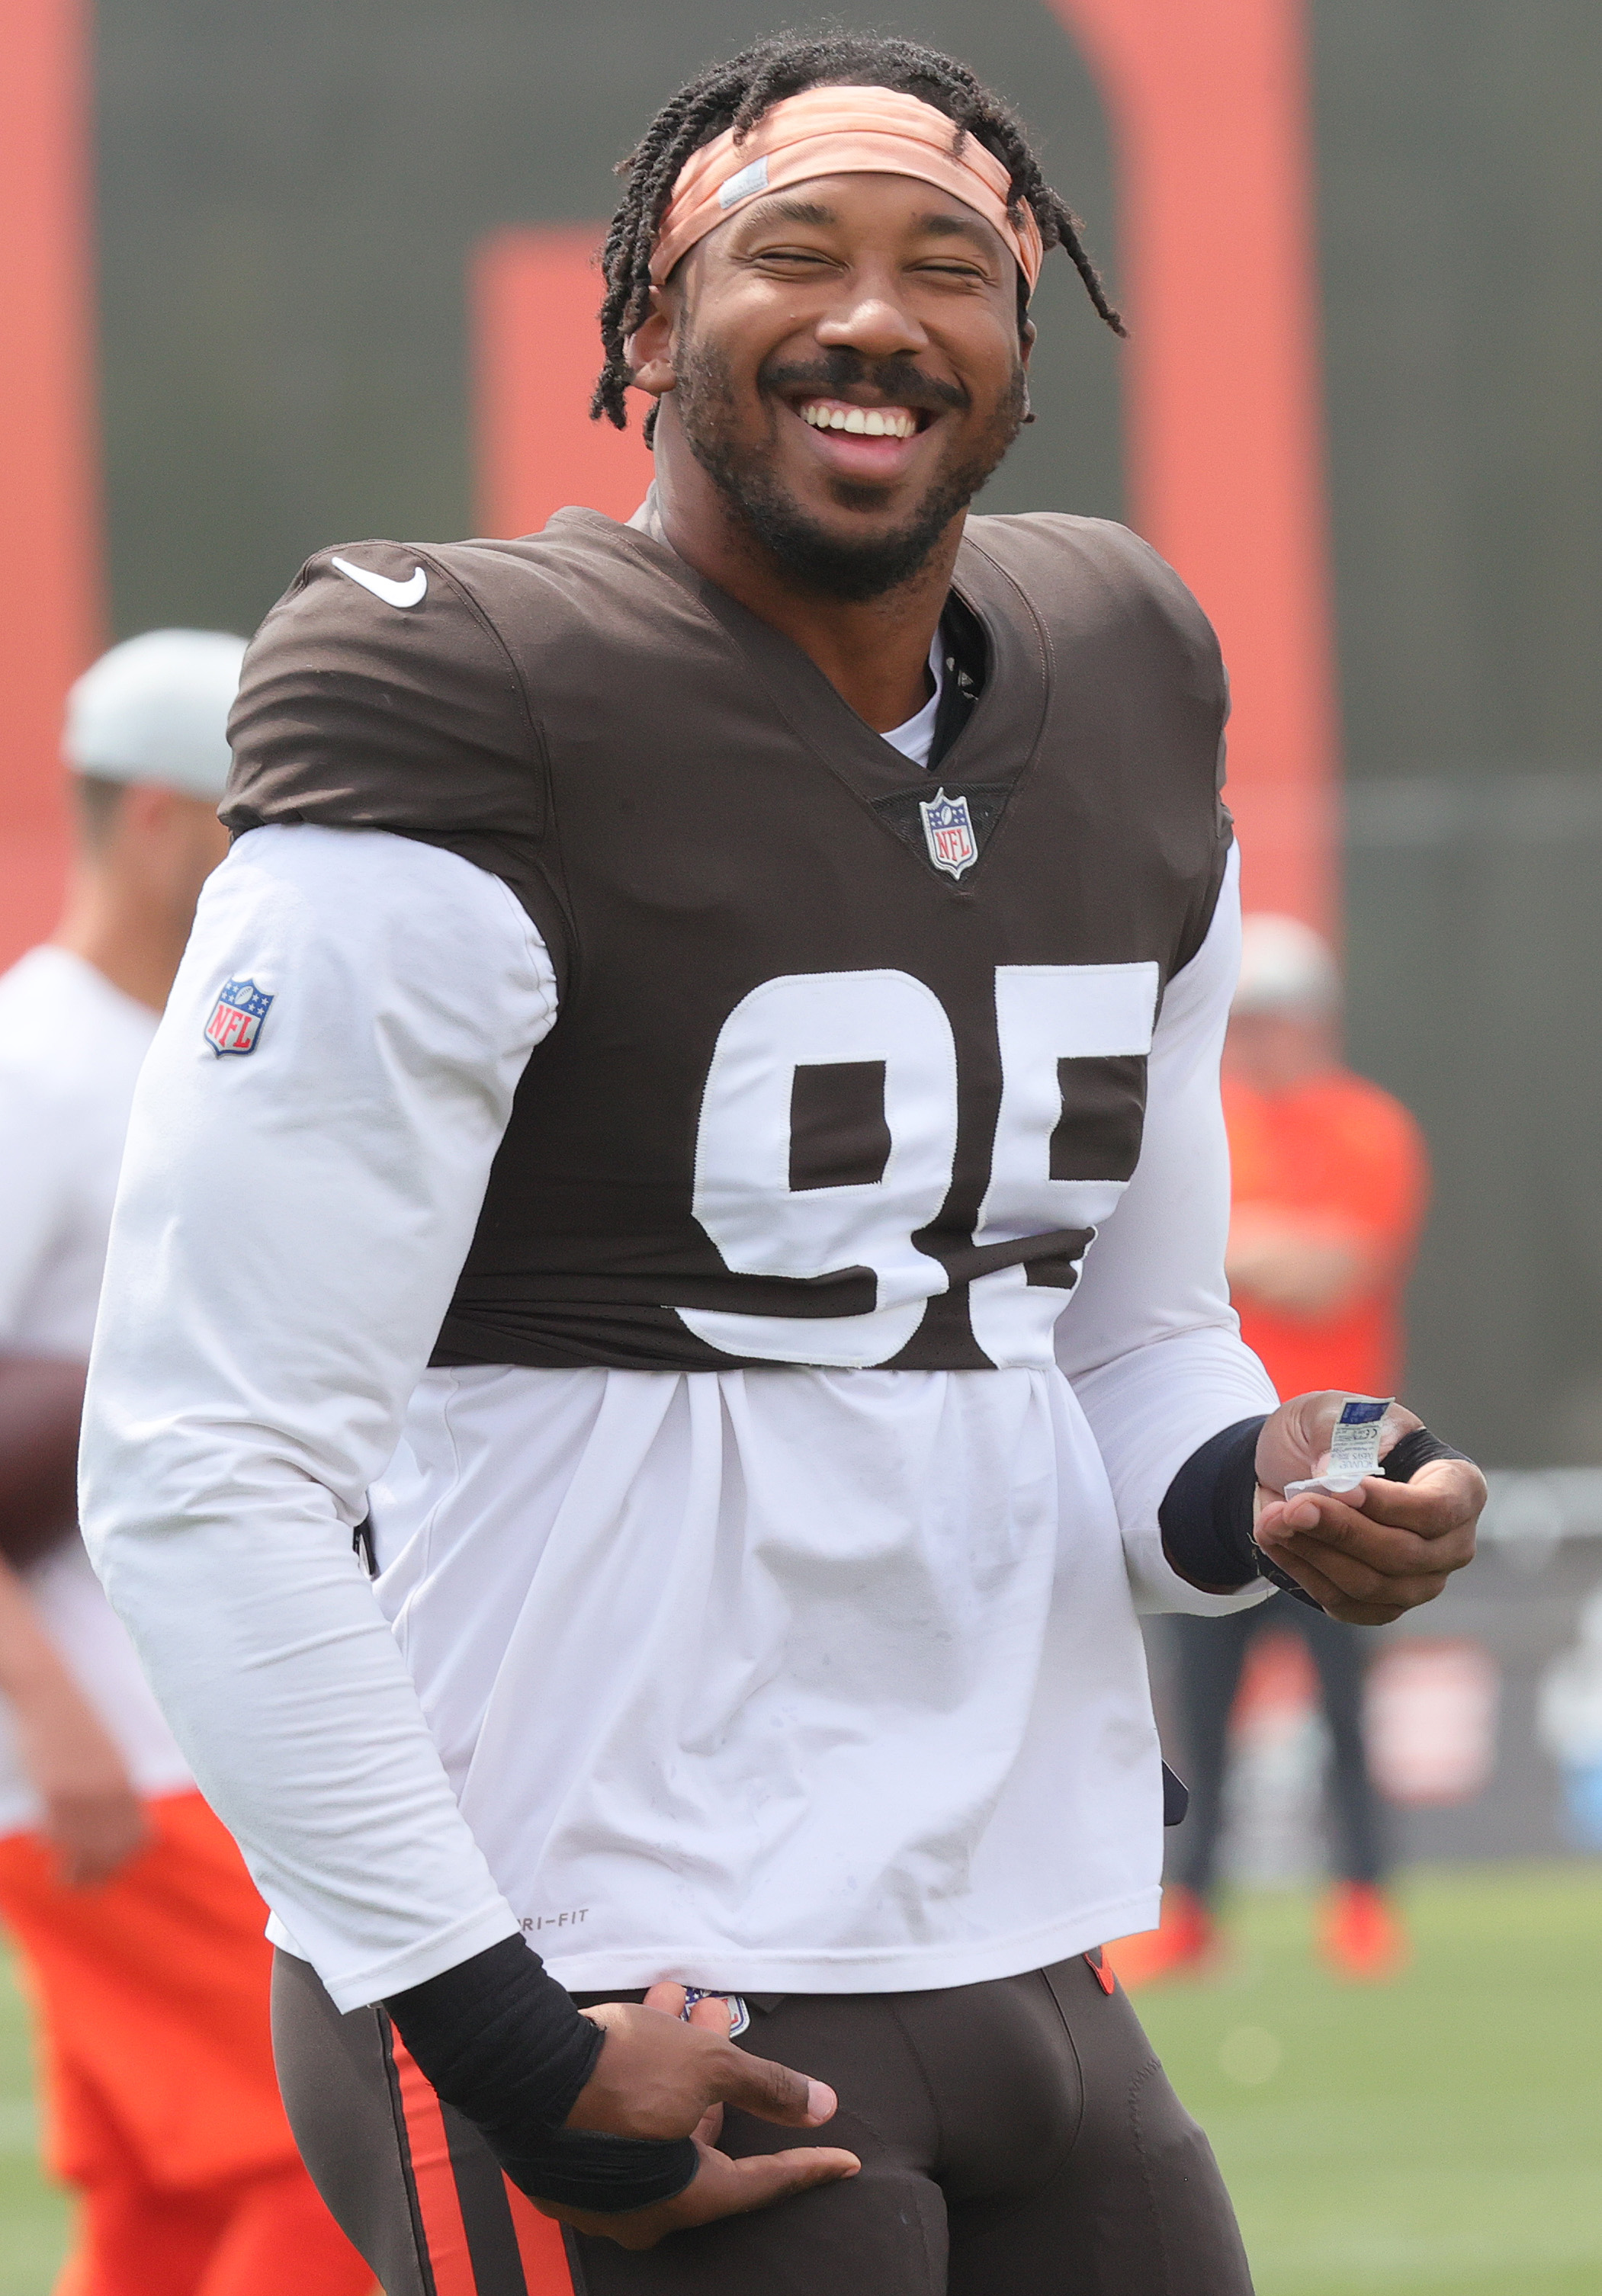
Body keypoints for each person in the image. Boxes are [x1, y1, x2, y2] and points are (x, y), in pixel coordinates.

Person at [79, 34, 1483, 2296]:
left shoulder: (1117, 698)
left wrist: (1281, 1482)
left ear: (1021, 360)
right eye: (790, 252)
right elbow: (201, 1462)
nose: (872, 314)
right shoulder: (481, 709)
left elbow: (1121, 1344)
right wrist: (503, 2038)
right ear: (646, 323)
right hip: (606, 1943)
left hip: (1019, 1935)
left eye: (951, 264)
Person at [0, 631, 374, 2296]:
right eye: (256, 818)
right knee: (336, 2126)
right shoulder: (34, 1063)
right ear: (160, 819)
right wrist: (54, 1725)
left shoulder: (181, 1046)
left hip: (165, 1713)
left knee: (166, 2191)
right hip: (99, 1741)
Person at [1117, 914, 1430, 1987]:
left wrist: (1252, 1245)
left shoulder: (1368, 1126)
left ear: (1317, 1021)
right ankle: (1192, 1910)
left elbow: (1334, 1266)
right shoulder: (1211, 1123)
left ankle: (1362, 1905)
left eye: (1276, 1020)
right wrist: (1265, 1247)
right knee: (1203, 1694)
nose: (1256, 1041)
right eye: (1245, 1021)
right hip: (1229, 1429)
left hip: (1347, 1431)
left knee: (1344, 1689)